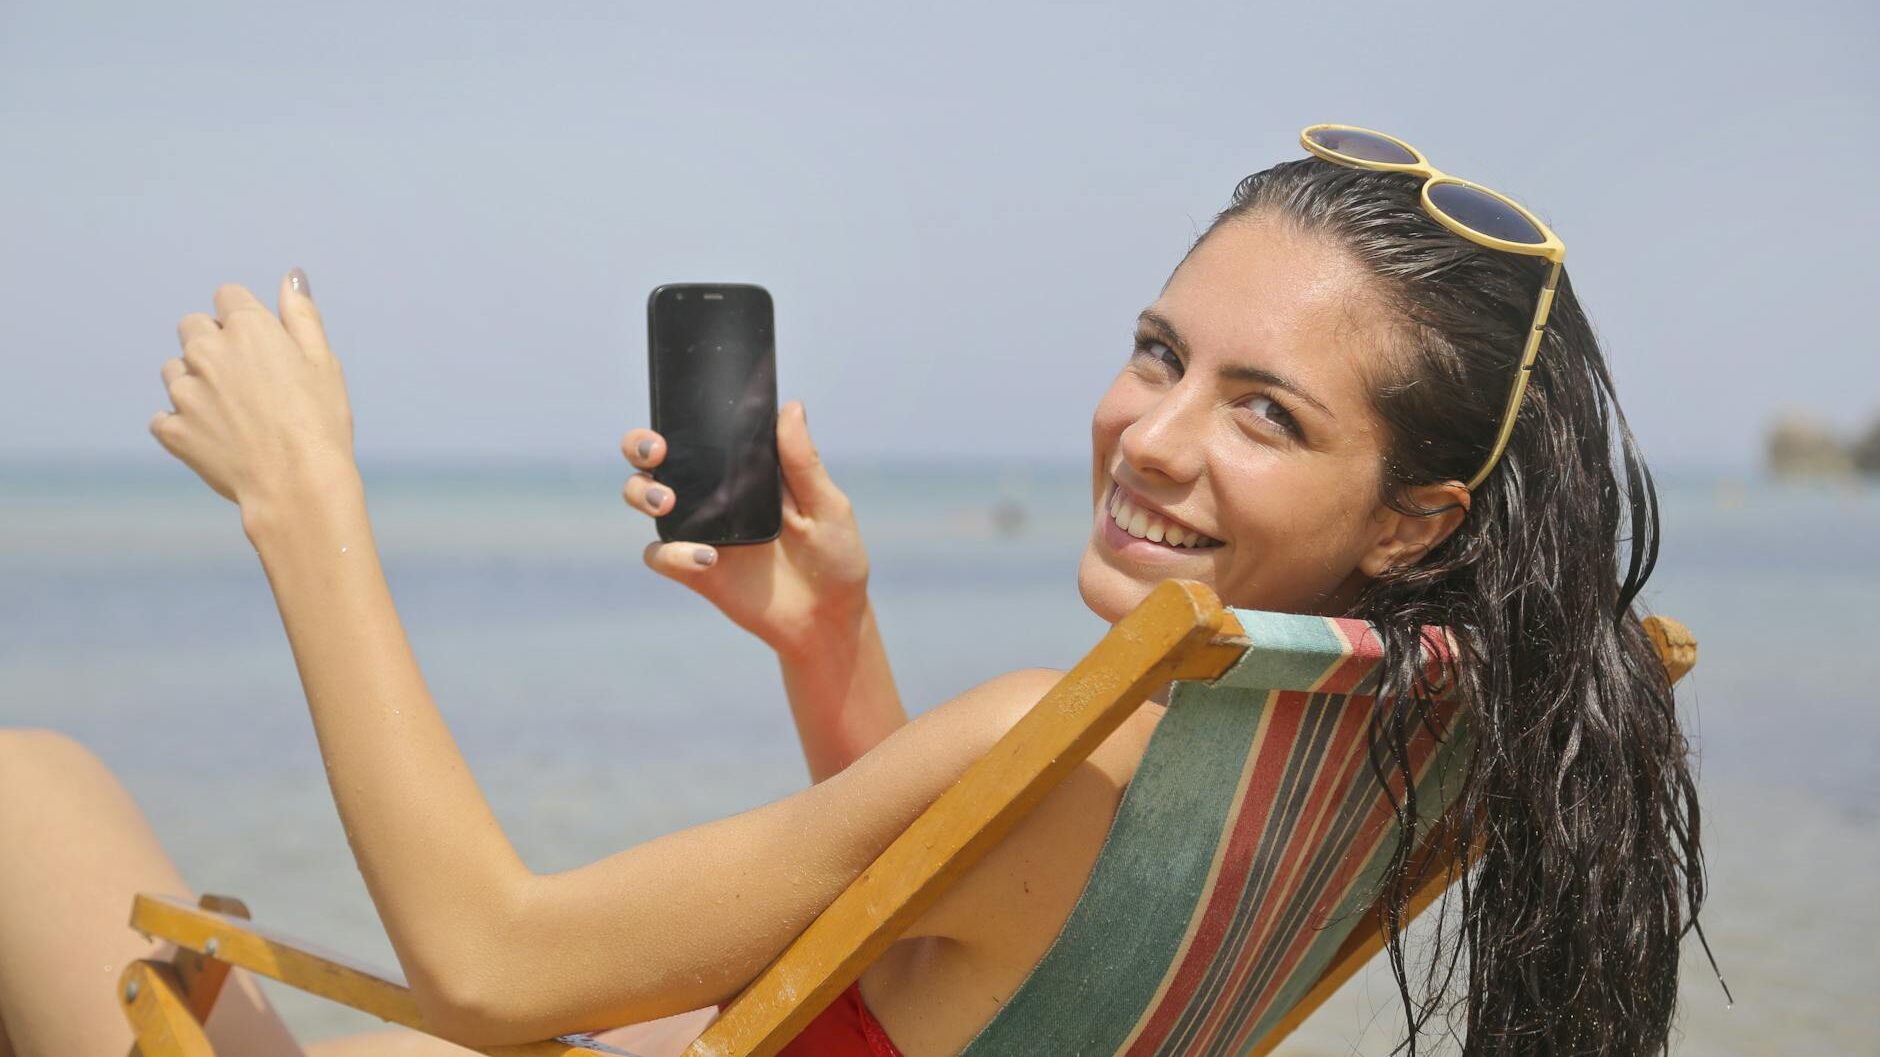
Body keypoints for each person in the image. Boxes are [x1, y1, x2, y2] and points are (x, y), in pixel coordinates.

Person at [0, 132, 1705, 1057]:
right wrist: (833, 639)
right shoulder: (1378, 740)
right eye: (1159, 353)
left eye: (1266, 413)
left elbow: (487, 964)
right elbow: (973, 948)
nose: (1149, 438)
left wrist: (305, 500)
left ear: (1413, 519)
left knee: (25, 794)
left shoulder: (1071, 742)